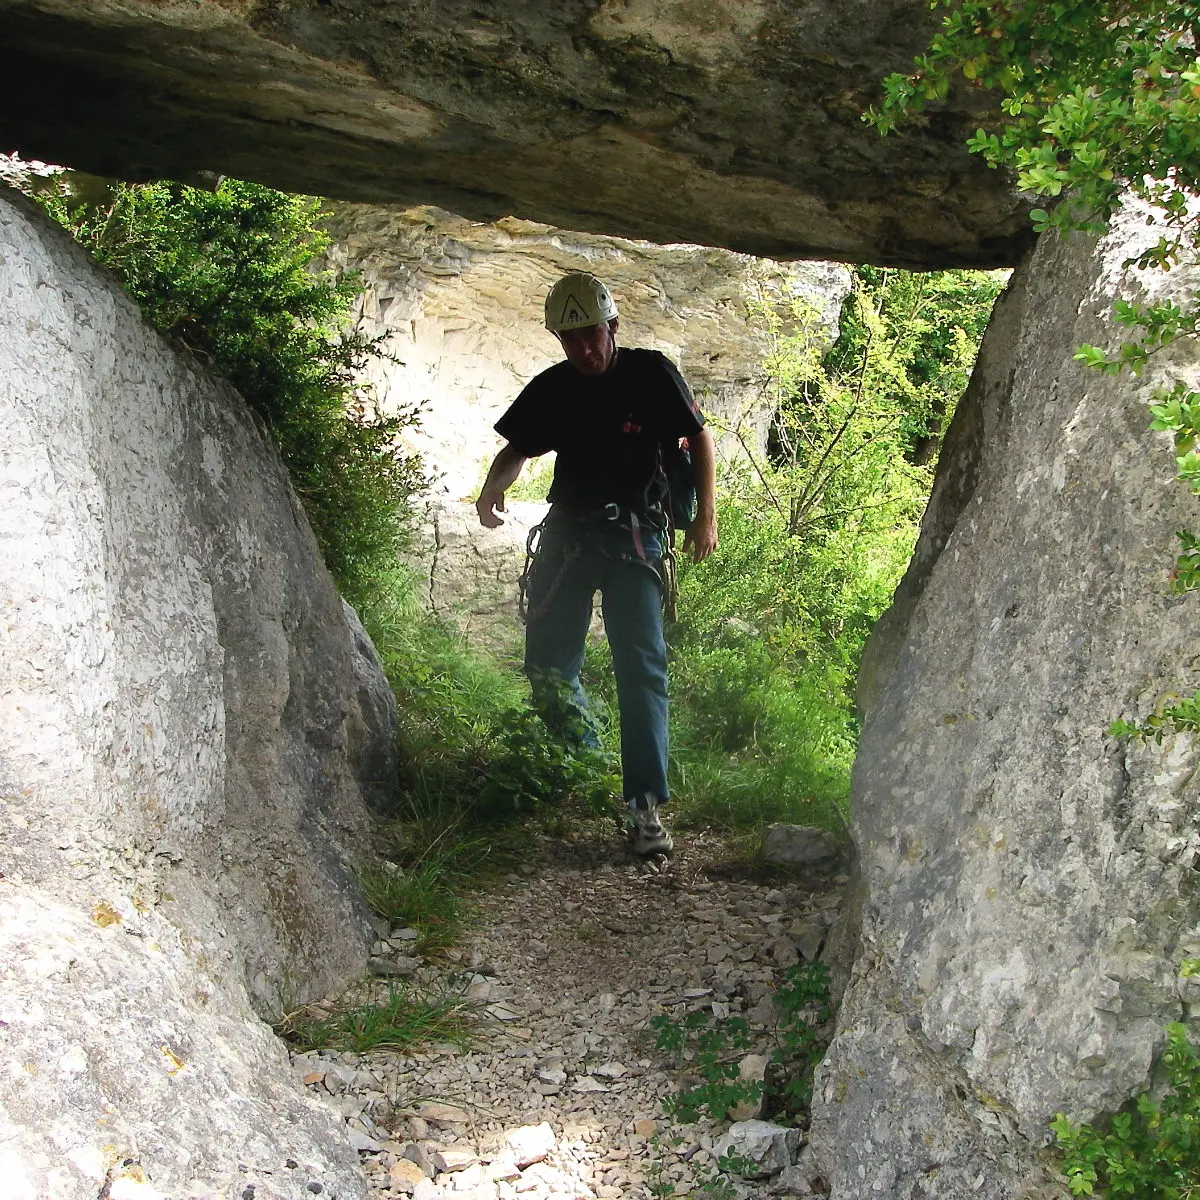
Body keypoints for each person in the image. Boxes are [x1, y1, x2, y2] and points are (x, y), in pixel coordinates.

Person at [475, 271, 717, 855]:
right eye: (569, 339)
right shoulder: (554, 388)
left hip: (635, 535)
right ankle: (579, 760)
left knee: (641, 663)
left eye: (589, 335)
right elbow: (517, 448)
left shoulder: (651, 373)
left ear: (611, 327)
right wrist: (490, 490)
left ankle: (645, 805)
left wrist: (705, 516)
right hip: (570, 535)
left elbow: (698, 436)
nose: (582, 348)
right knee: (547, 662)